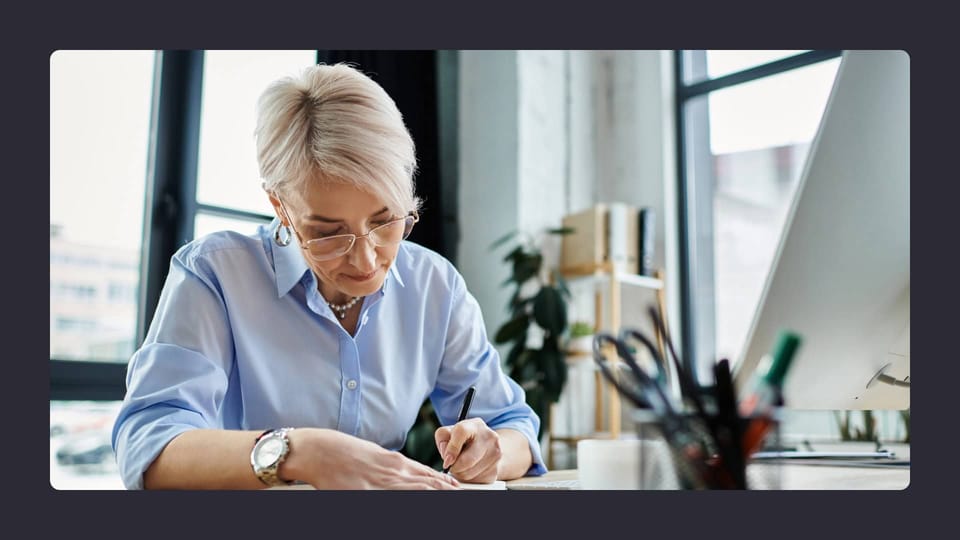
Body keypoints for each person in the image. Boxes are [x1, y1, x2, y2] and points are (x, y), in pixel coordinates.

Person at [111, 63, 547, 490]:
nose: (365, 259)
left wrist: (492, 451)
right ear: (280, 205)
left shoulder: (434, 284)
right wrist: (296, 452)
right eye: (328, 233)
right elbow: (149, 448)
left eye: (386, 220)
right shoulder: (217, 273)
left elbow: (513, 426)